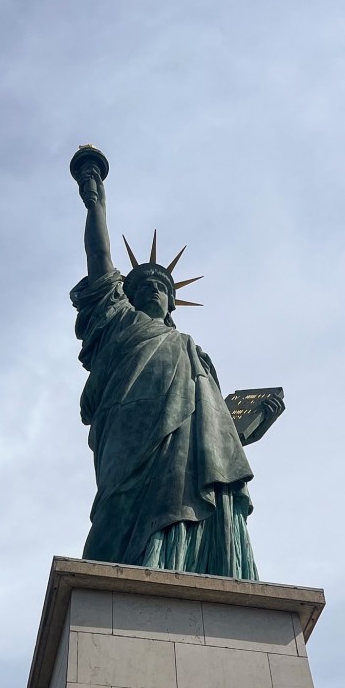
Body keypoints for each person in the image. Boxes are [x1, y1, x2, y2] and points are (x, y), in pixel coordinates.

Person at [70, 166, 283, 580]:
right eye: (143, 283)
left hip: (186, 458)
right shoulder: (117, 321)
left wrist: (249, 427)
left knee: (190, 505)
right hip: (129, 434)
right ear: (126, 296)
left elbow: (214, 436)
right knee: (117, 511)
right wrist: (95, 201)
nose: (153, 287)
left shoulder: (196, 355)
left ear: (171, 301)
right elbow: (100, 262)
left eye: (161, 285)